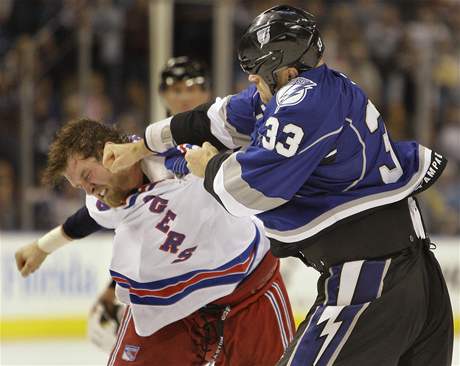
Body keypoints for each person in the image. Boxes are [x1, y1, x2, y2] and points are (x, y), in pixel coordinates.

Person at [104, 5, 453, 366]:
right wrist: (142, 145)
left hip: (370, 278)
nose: (252, 83)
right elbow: (215, 119)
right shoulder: (320, 88)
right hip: (418, 276)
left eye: (256, 74)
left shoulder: (301, 102)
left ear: (285, 70)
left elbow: (247, 190)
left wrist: (209, 167)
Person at [15, 118, 294, 365]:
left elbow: (204, 152)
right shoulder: (104, 199)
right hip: (171, 309)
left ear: (109, 150)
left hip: (246, 290)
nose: (89, 190)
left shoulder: (173, 157)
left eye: (87, 176)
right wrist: (42, 247)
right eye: (79, 186)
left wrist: (211, 167)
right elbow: (85, 219)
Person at [14, 56, 213, 353]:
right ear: (162, 94)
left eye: (191, 86)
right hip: (188, 290)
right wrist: (44, 246)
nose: (183, 96)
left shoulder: (216, 130)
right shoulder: (120, 182)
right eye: (175, 88)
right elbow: (99, 218)